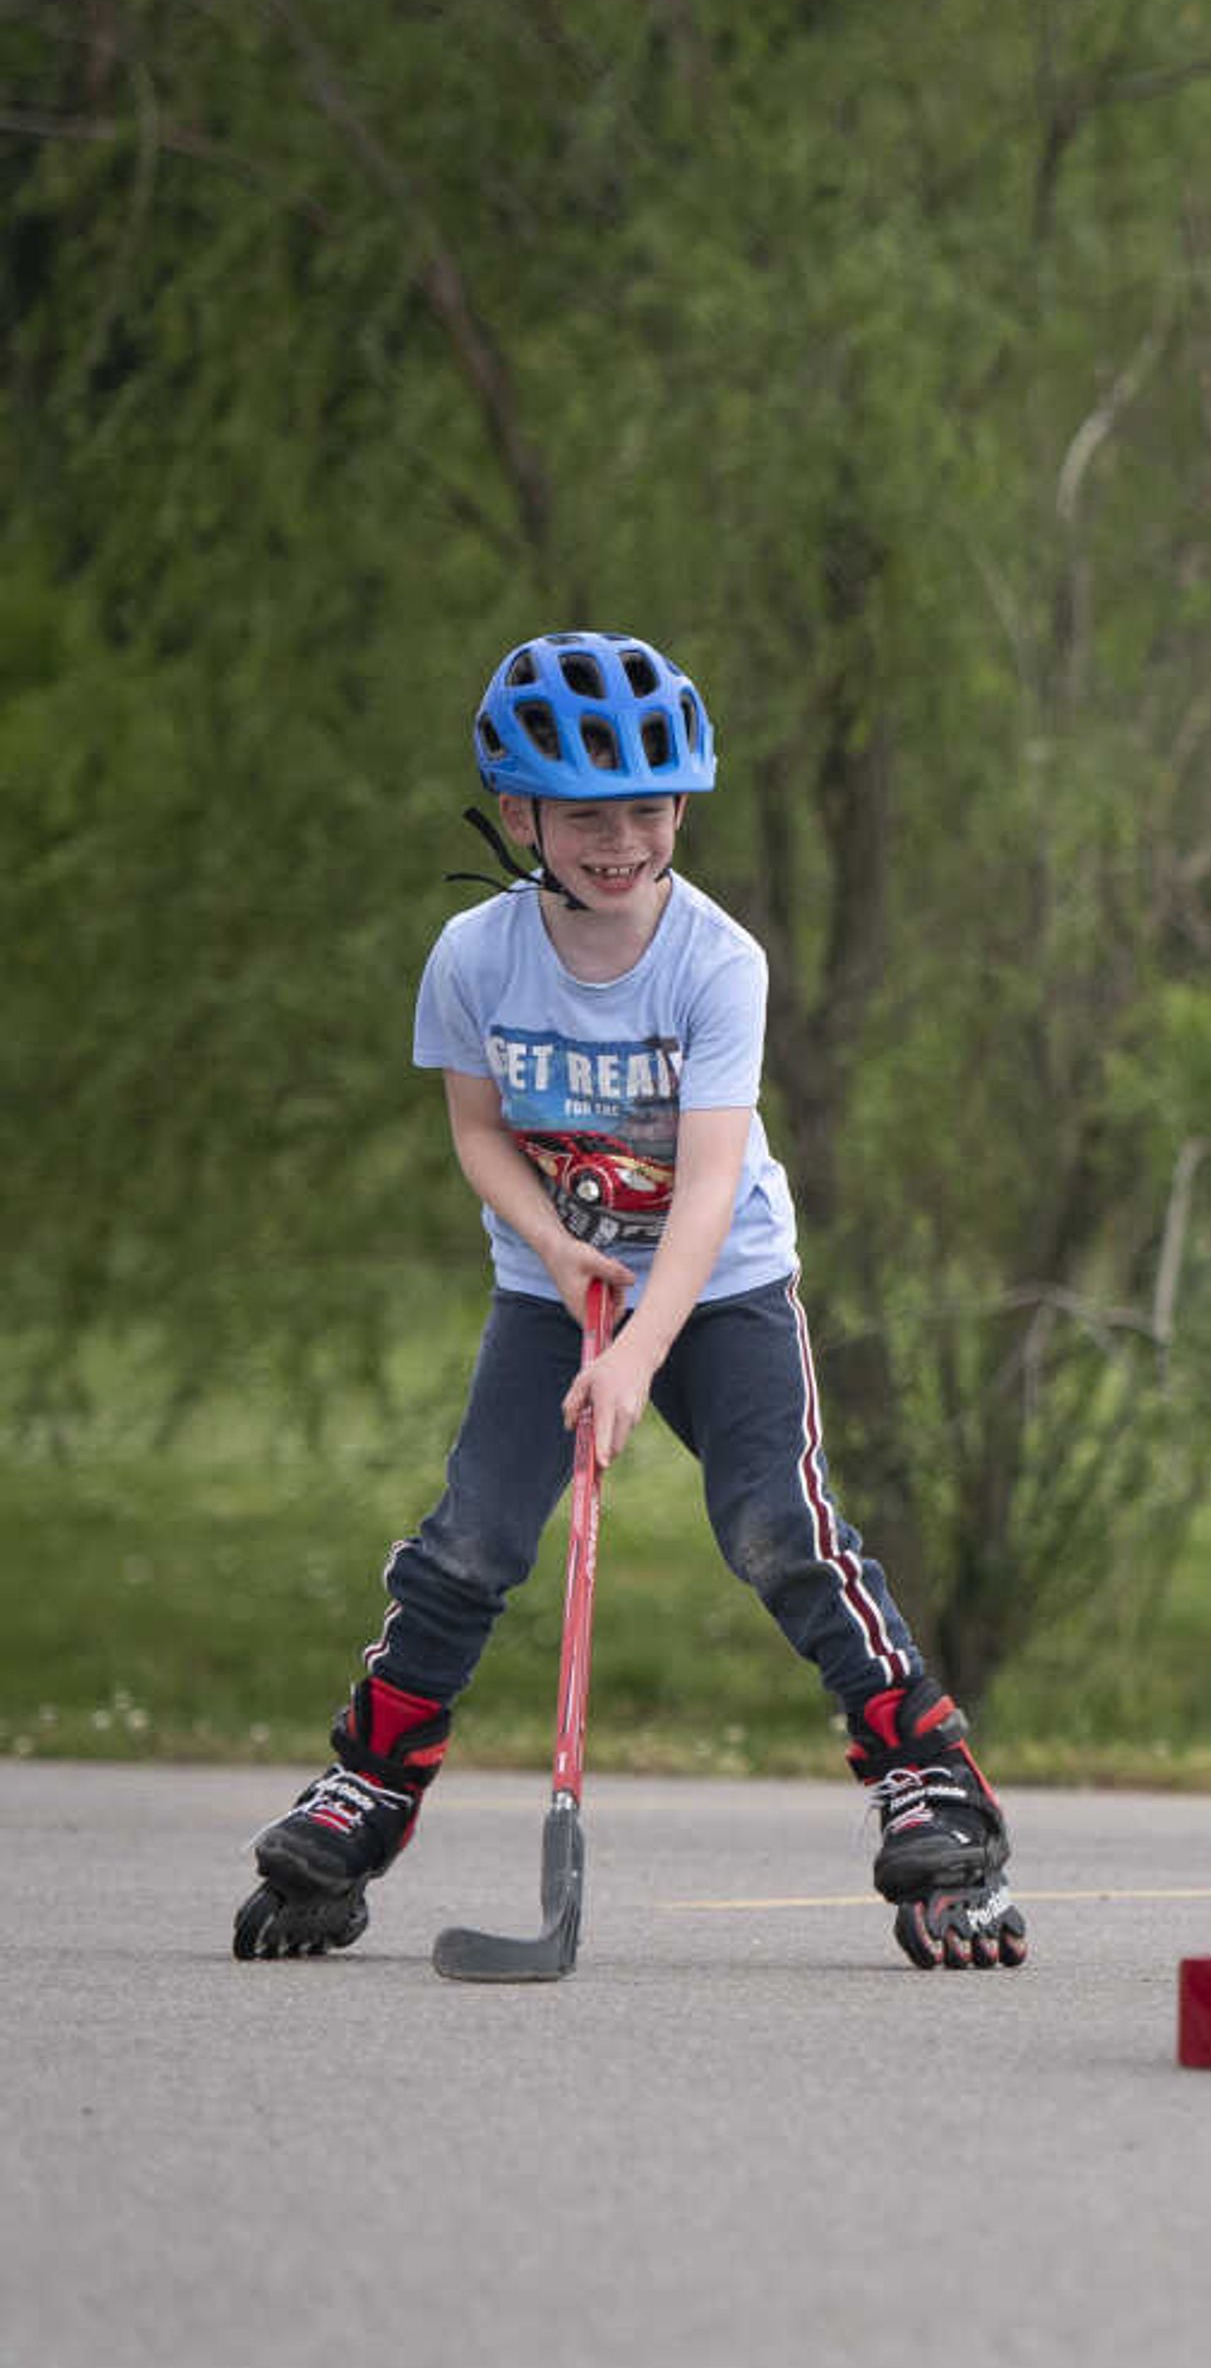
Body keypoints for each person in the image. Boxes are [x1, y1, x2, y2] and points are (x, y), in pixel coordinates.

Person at [232, 630, 1026, 1972]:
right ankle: (370, 1784)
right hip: (554, 1287)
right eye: (587, 809)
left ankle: (932, 1775)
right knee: (469, 1542)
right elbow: (479, 1134)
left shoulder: (717, 963)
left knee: (778, 1525)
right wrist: (555, 1254)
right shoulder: (475, 958)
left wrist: (640, 1351)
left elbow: (710, 1185)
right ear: (520, 811)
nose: (622, 836)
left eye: (651, 805)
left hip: (722, 1289)